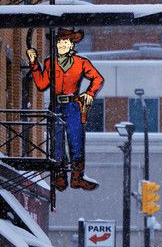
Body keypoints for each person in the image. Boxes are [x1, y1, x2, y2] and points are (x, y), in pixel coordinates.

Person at [27, 27, 104, 191]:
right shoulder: (50, 62)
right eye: (60, 42)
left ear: (72, 45)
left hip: (73, 105)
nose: (62, 45)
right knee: (57, 141)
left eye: (66, 42)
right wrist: (34, 64)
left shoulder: (81, 62)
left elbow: (98, 79)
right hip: (56, 106)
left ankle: (77, 177)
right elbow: (41, 83)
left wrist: (89, 93)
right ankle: (59, 175)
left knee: (76, 139)